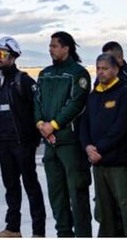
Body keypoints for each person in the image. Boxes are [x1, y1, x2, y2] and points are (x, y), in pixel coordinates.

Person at [35, 31, 92, 238]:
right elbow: (37, 101)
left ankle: (83, 234)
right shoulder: (45, 74)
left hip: (70, 142)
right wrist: (42, 124)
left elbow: (76, 103)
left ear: (66, 48)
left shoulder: (78, 73)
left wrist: (55, 125)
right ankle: (63, 234)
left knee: (77, 193)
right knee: (56, 194)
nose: (50, 49)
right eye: (50, 46)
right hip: (50, 144)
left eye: (54, 46)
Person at [0, 37, 45, 239]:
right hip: (3, 143)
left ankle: (38, 231)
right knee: (10, 186)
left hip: (22, 143)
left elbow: (38, 110)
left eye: (2, 54)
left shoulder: (24, 81)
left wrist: (33, 139)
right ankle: (13, 228)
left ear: (13, 56)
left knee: (31, 186)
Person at [81, 53, 127, 237]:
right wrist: (88, 147)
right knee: (104, 212)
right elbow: (84, 124)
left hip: (120, 164)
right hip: (99, 164)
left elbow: (121, 127)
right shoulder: (93, 95)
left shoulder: (125, 93)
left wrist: (99, 148)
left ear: (115, 69)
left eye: (105, 68)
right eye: (98, 68)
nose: (101, 72)